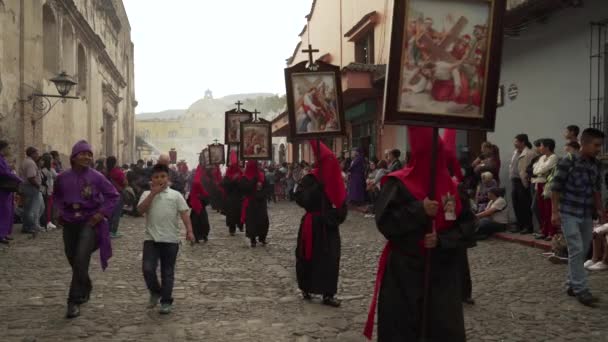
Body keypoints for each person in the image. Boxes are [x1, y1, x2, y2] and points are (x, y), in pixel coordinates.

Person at [364, 127, 475, 341]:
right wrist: (418, 210)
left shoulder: (452, 189)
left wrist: (442, 240)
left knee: (441, 326)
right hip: (404, 271)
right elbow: (385, 223)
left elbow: (468, 226)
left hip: (442, 271)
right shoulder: (397, 184)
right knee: (404, 327)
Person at [53, 140, 120, 319]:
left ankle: (73, 301)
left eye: (89, 154)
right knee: (72, 256)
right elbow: (57, 196)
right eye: (83, 153)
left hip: (89, 222)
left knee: (82, 257)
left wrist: (102, 213)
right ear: (74, 157)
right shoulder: (62, 178)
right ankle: (86, 283)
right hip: (69, 222)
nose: (87, 157)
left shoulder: (97, 177)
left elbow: (113, 195)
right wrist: (60, 212)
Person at [551, 128, 605, 307]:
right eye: (596, 145)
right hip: (569, 211)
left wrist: (600, 211)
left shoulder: (596, 165)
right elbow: (556, 187)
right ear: (584, 143)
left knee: (581, 250)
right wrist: (554, 212)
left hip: (586, 213)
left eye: (600, 145)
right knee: (576, 248)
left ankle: (571, 285)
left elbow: (597, 189)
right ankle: (582, 290)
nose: (599, 149)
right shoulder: (568, 161)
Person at [295, 141, 348, 307]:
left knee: (330, 259)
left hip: (329, 226)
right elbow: (300, 198)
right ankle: (306, 288)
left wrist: (333, 218)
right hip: (311, 224)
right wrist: (317, 188)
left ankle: (328, 293)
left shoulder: (336, 180)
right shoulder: (310, 178)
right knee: (306, 256)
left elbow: (342, 205)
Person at [137, 164, 194, 315]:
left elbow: (184, 213)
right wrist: (152, 194)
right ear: (152, 179)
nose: (159, 179)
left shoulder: (175, 195)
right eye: (156, 177)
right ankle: (155, 291)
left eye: (162, 176)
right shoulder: (146, 194)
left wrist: (189, 230)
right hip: (151, 239)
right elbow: (140, 210)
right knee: (148, 268)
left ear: (168, 178)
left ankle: (166, 301)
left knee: (167, 272)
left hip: (171, 240)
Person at [532, 139, 559, 240]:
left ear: (547, 147)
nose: (540, 148)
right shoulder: (542, 157)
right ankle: (544, 230)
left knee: (549, 209)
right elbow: (535, 170)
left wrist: (540, 170)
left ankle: (552, 232)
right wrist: (540, 170)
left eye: (542, 146)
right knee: (541, 209)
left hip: (547, 184)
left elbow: (544, 169)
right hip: (539, 182)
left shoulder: (554, 157)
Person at [509, 134, 535, 234]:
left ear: (522, 142)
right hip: (514, 180)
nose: (514, 143)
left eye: (516, 141)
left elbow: (530, 168)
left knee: (525, 204)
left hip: (522, 181)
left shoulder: (529, 153)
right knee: (516, 203)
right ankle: (520, 225)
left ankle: (528, 226)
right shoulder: (515, 152)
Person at [240, 161, 269, 247]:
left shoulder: (262, 175)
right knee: (252, 222)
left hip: (261, 202)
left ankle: (262, 238)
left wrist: (262, 194)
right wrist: (253, 180)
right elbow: (244, 188)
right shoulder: (244, 177)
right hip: (251, 203)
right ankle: (253, 239)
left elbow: (267, 187)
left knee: (263, 221)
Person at [0, 141, 22, 244]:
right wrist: (19, 179)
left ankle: (5, 233)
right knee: (3, 212)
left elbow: (6, 170)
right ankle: (1, 234)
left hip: (7, 190)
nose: (9, 150)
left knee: (8, 211)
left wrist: (10, 167)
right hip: (2, 189)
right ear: (3, 148)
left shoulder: (2, 159)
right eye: (8, 148)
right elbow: (4, 172)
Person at [19, 146, 44, 234]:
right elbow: (31, 177)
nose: (38, 155)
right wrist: (38, 186)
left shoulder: (26, 161)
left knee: (27, 208)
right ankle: (29, 227)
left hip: (26, 187)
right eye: (36, 153)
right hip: (31, 188)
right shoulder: (30, 163)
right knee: (31, 209)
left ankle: (26, 226)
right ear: (32, 154)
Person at [188, 159, 211, 243]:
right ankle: (200, 236)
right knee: (200, 222)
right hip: (198, 206)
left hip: (198, 206)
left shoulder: (198, 179)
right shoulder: (200, 180)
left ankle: (200, 236)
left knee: (198, 222)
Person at [222, 151, 244, 235]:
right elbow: (224, 184)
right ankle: (232, 229)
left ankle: (240, 225)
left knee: (239, 212)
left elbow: (243, 184)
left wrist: (238, 180)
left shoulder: (240, 172)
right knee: (231, 214)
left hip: (239, 197)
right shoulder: (228, 173)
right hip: (231, 197)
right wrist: (233, 180)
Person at [106, 156, 127, 238]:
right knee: (116, 214)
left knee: (109, 213)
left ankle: (107, 230)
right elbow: (125, 182)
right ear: (115, 162)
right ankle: (113, 231)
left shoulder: (105, 172)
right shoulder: (118, 172)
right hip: (117, 194)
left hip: (107, 195)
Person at [40, 153, 58, 231]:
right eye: (51, 160)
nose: (52, 161)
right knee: (47, 208)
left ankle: (49, 222)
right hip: (46, 191)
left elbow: (56, 176)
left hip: (50, 191)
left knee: (49, 207)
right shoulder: (45, 170)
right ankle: (47, 222)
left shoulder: (51, 169)